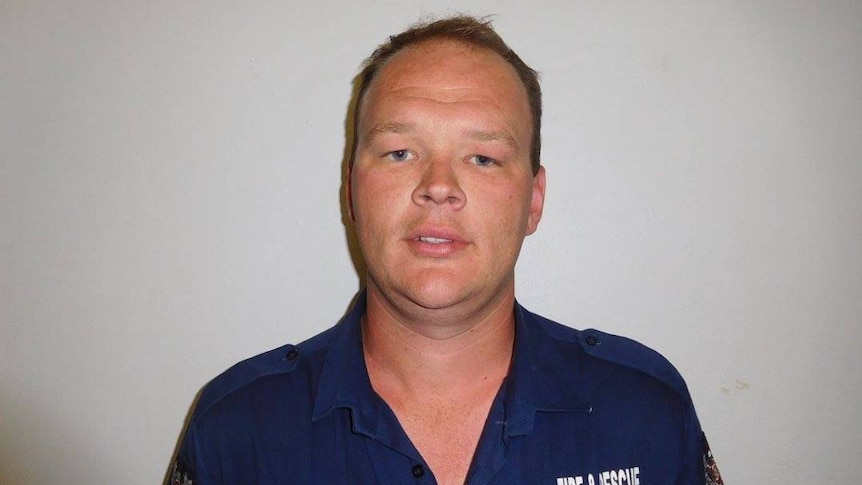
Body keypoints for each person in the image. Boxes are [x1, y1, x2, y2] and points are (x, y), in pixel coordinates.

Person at [169, 15, 723, 485]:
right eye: (400, 152)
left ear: (533, 200)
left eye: (482, 158)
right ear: (351, 192)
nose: (438, 185)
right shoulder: (237, 431)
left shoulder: (647, 410)